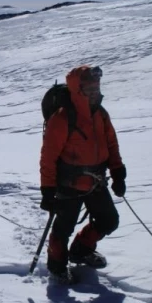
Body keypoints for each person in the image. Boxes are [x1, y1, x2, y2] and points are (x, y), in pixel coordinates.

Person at [39, 65, 127, 284]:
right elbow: (48, 157)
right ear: (78, 90)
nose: (95, 91)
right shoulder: (61, 119)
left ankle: (81, 250)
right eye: (89, 88)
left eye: (96, 86)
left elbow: (111, 144)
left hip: (96, 182)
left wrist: (117, 172)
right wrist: (48, 191)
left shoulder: (101, 114)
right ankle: (57, 267)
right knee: (62, 229)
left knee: (109, 220)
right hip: (69, 184)